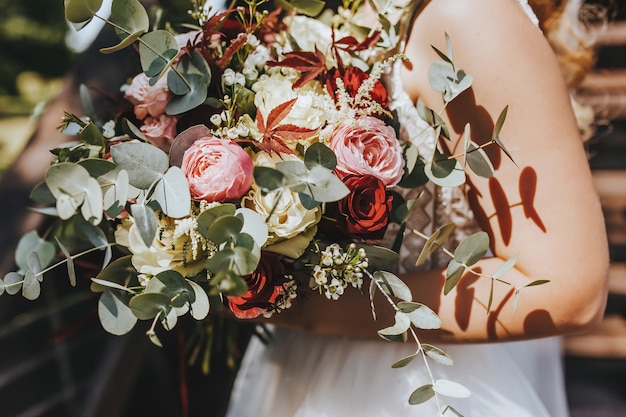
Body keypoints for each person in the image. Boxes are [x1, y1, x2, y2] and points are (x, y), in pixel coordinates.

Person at [225, 0, 610, 416]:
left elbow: (569, 290)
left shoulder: (466, 15)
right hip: (297, 373)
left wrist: (295, 305)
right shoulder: (310, 9)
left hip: (425, 387)